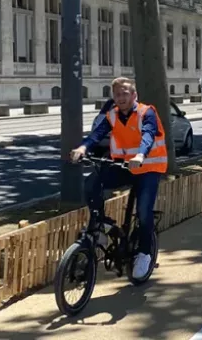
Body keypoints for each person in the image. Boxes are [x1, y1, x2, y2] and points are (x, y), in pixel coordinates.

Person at [70, 77, 167, 280]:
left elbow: (148, 135)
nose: (121, 98)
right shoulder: (112, 115)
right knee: (92, 183)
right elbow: (97, 135)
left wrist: (140, 154)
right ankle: (101, 226)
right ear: (113, 97)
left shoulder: (146, 112)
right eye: (117, 94)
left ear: (134, 95)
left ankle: (144, 254)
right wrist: (83, 147)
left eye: (125, 93)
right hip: (125, 166)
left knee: (143, 211)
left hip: (149, 167)